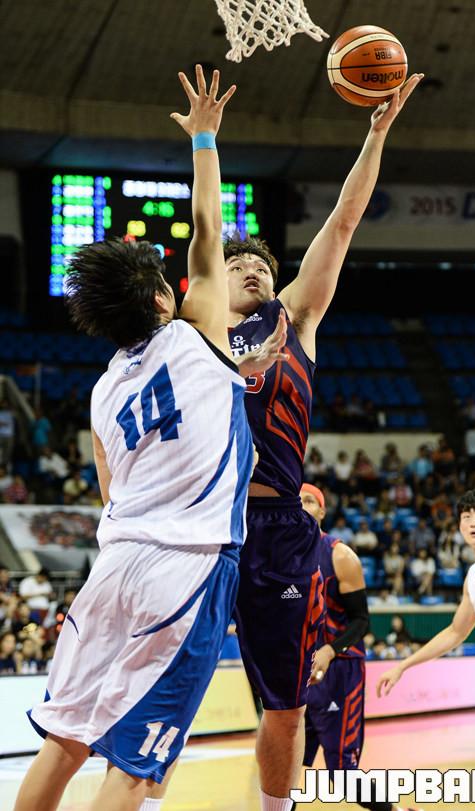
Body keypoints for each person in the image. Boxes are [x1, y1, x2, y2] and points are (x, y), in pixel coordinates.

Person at [14, 66, 278, 811]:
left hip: (115, 562)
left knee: (64, 740)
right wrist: (204, 137)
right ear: (166, 297)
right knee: (136, 767)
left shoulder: (103, 389)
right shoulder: (198, 336)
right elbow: (207, 230)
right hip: (185, 567)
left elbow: (109, 488)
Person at [225, 73, 423, 811]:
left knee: (282, 702)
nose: (253, 270)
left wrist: (376, 134)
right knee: (158, 683)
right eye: (238, 265)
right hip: (201, 523)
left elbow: (341, 223)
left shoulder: (292, 318)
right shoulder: (191, 340)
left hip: (275, 526)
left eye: (262, 266)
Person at [377, 488, 475, 809]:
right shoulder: (474, 578)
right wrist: (403, 665)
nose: (474, 522)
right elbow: (455, 632)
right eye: (467, 516)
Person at [298, 489, 418, 811]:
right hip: (300, 672)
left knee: (343, 776)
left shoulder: (340, 556)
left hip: (340, 670)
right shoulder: (281, 555)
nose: (301, 506)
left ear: (322, 512)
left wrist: (330, 650)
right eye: (296, 500)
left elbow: (361, 621)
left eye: (309, 501)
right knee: (286, 765)